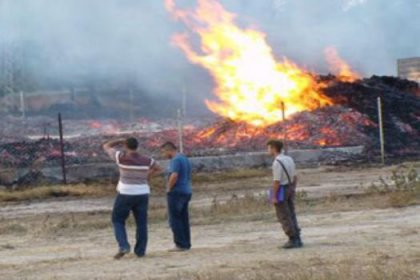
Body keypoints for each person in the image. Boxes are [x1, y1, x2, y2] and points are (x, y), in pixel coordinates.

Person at [103, 137, 160, 259]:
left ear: (126, 146)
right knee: (141, 223)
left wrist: (119, 140)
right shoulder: (147, 160)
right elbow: (158, 168)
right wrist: (147, 177)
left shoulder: (121, 157)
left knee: (117, 220)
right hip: (142, 193)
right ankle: (140, 251)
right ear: (137, 146)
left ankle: (123, 245)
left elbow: (106, 146)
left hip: (126, 193)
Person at [267, 139, 303, 249]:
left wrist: (273, 196)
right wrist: (292, 188)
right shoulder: (289, 159)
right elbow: (295, 177)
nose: (268, 151)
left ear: (273, 148)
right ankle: (297, 237)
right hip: (290, 188)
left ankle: (292, 239)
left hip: (281, 189)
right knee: (291, 213)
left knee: (283, 215)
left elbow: (276, 181)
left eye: (268, 148)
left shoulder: (277, 162)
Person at [160, 141, 192, 252]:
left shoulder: (175, 160)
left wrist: (169, 188)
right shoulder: (184, 158)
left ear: (169, 150)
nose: (163, 155)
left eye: (163, 152)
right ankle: (186, 243)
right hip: (186, 190)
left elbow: (174, 175)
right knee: (183, 219)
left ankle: (180, 244)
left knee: (175, 219)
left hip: (177, 192)